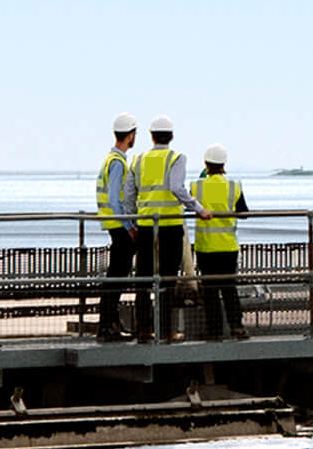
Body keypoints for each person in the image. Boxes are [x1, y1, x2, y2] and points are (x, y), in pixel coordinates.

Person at [123, 115, 211, 342]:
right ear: (171, 137)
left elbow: (129, 196)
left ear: (151, 136)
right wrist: (198, 209)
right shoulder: (176, 158)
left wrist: (131, 222)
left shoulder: (138, 160)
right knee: (167, 279)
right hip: (170, 226)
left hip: (144, 225)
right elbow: (177, 188)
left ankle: (143, 330)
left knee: (143, 279)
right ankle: (166, 331)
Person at [190, 144, 251, 339]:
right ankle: (237, 327)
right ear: (223, 164)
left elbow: (189, 206)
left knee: (210, 291)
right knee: (229, 288)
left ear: (206, 164)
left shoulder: (196, 186)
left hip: (206, 247)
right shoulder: (234, 186)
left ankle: (214, 331)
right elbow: (243, 214)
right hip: (228, 246)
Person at [93, 114, 138, 342]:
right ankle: (107, 326)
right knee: (117, 276)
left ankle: (110, 323)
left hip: (113, 224)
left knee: (116, 275)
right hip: (119, 225)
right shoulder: (118, 162)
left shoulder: (109, 159)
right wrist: (129, 225)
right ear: (130, 135)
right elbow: (114, 198)